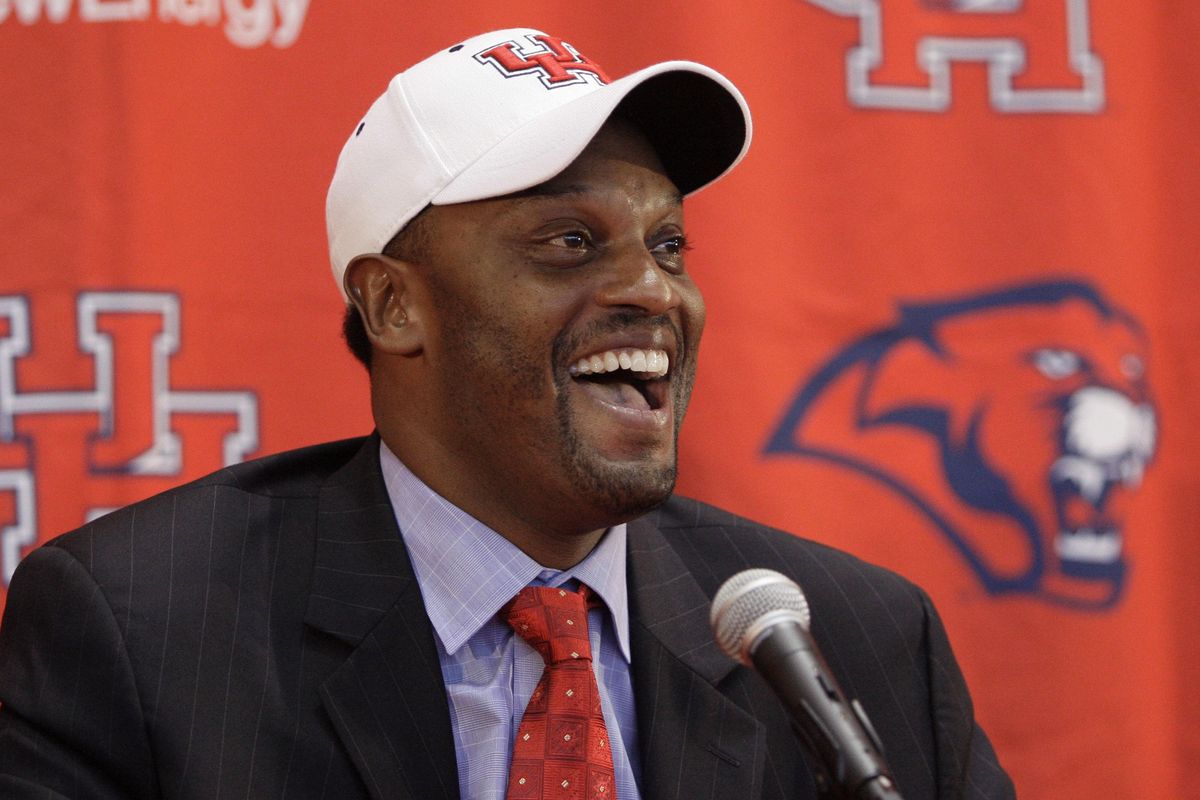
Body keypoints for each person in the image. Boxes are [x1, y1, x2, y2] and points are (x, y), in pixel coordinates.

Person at [0, 28, 1014, 800]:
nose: (655, 293)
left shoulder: (860, 638)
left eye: (667, 245)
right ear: (395, 305)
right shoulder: (142, 630)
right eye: (570, 240)